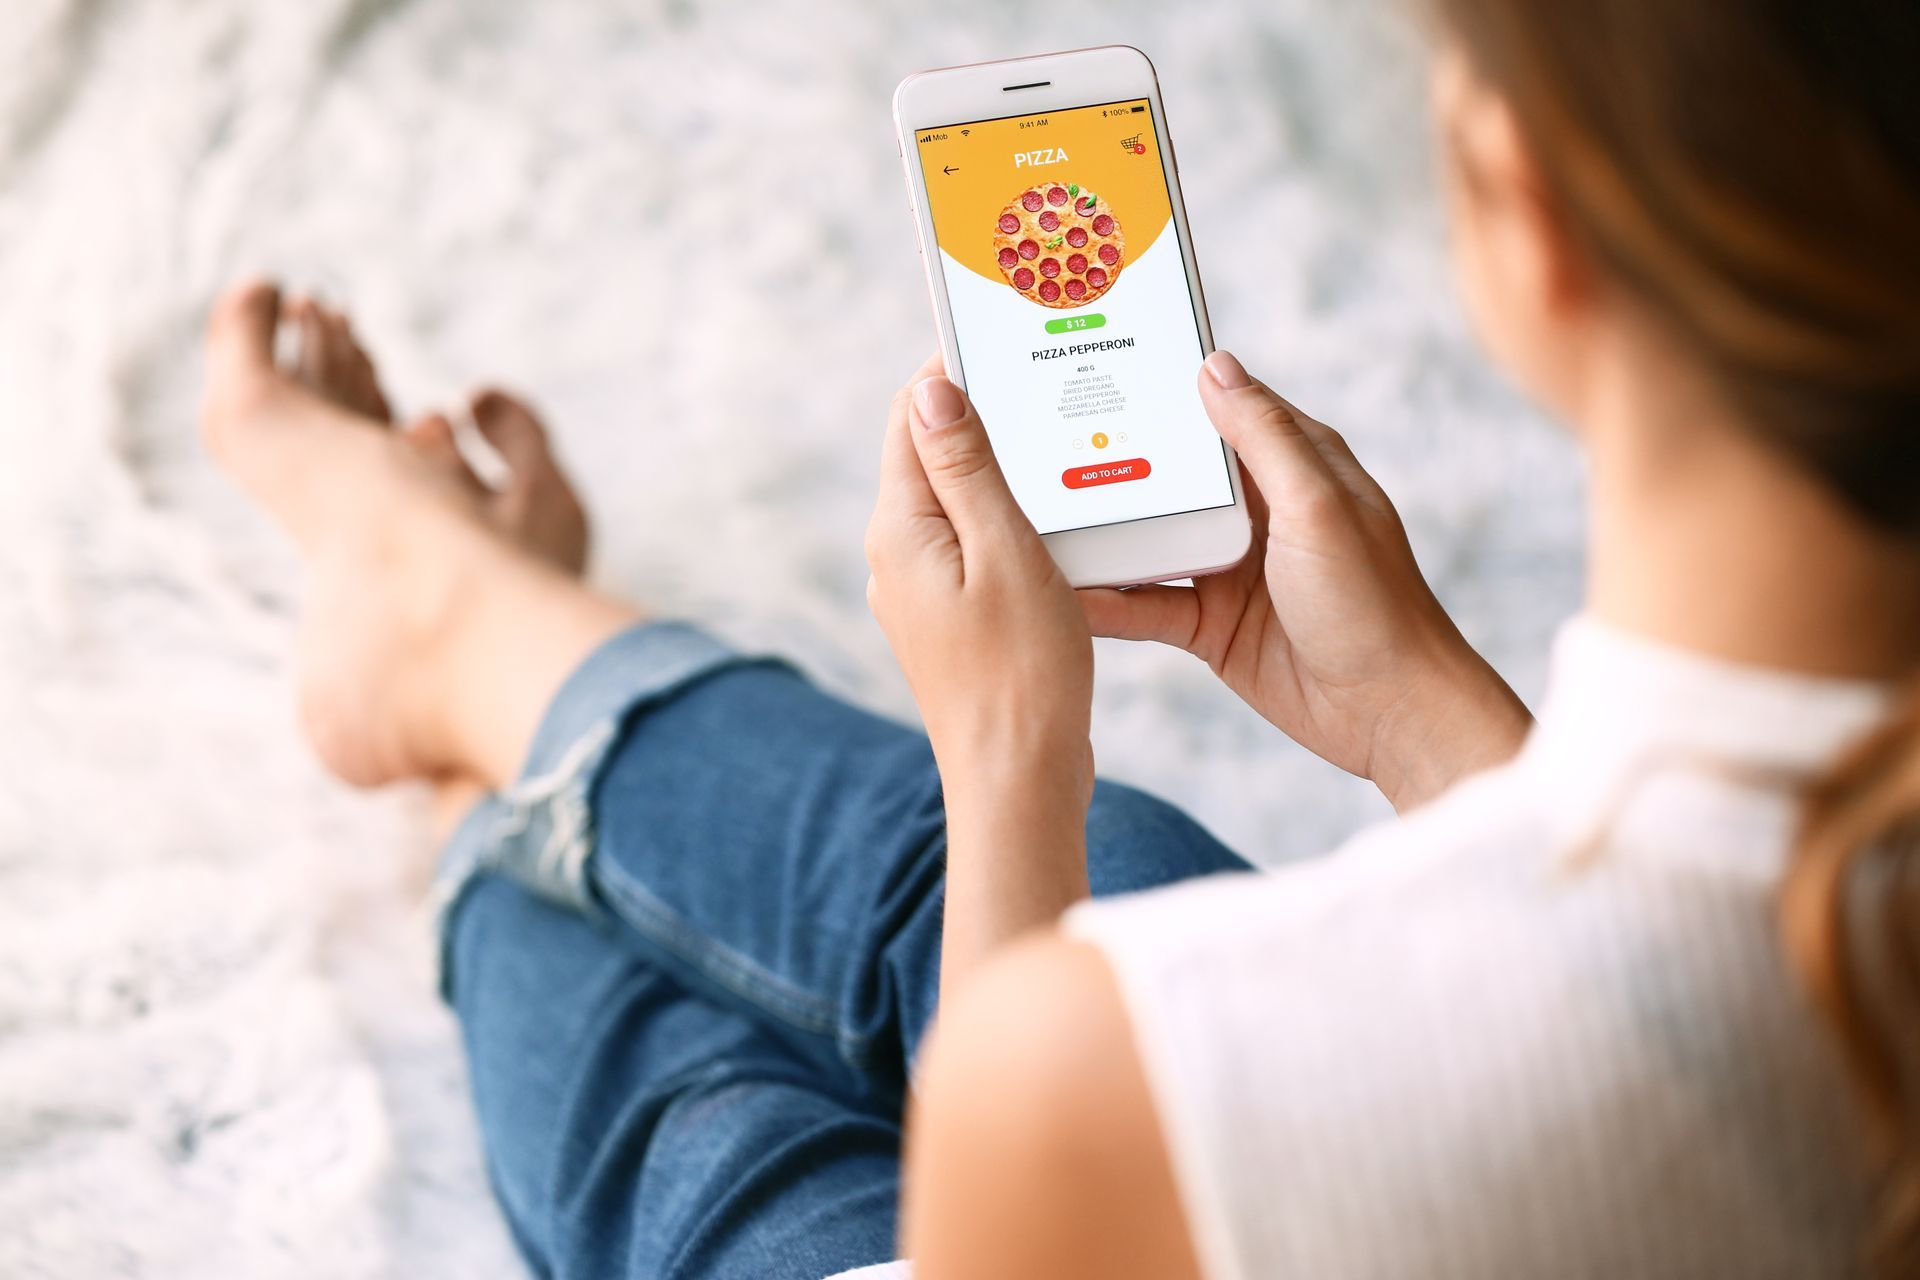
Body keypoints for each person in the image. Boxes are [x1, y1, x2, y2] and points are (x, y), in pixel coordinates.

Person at [199, 0, 1920, 1274]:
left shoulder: (1079, 1078)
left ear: (1523, 210)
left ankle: (448, 694)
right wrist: (1418, 722)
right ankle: (467, 649)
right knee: (1128, 871)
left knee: (725, 1137)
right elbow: (1675, 986)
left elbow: (1028, 1131)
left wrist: (1009, 751)